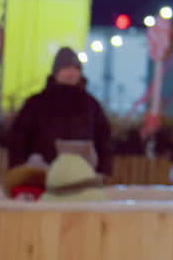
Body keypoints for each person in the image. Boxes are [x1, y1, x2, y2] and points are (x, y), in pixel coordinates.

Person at [8, 46, 113, 176]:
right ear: (56, 72)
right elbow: (19, 140)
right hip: (42, 175)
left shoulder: (91, 105)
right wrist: (20, 170)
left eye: (75, 68)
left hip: (82, 176)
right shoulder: (36, 103)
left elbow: (104, 140)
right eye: (66, 68)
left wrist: (103, 171)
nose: (71, 72)